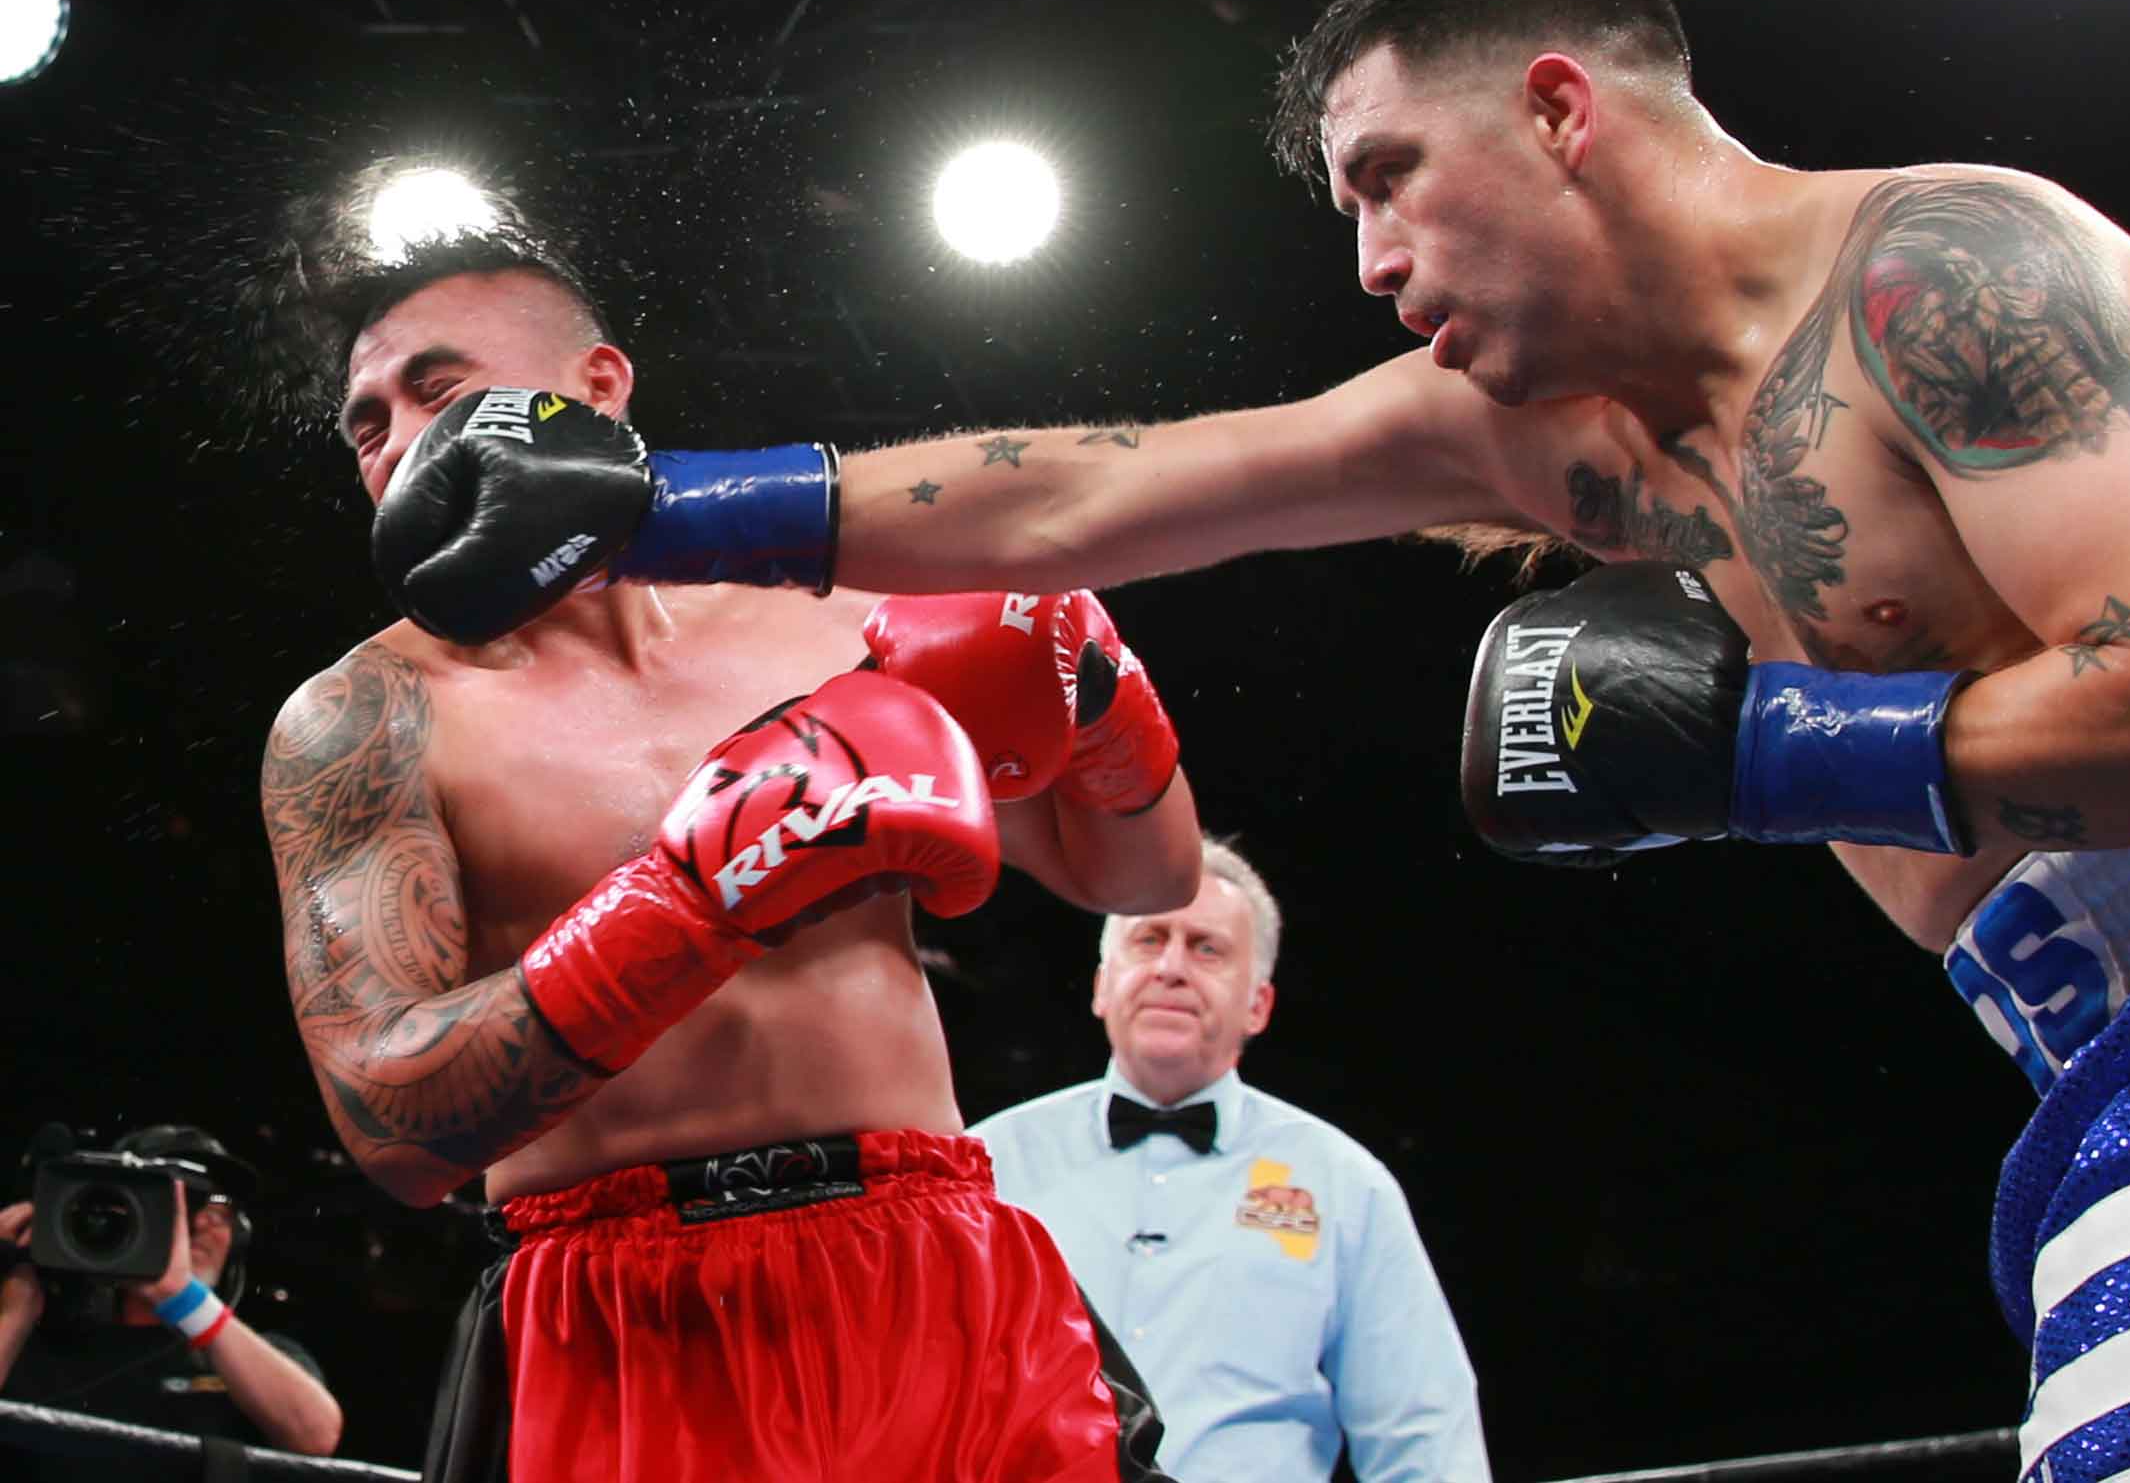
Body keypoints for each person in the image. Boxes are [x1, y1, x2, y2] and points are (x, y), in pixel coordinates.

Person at [373, 0, 2130, 1481]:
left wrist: (1755, 743)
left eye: (1396, 179)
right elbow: (1102, 488)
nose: (1375, 267)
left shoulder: (1940, 270)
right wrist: (655, 500)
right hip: (2128, 1057)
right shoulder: (1559, 439)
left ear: (1565, 108)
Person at [267, 233, 1204, 1482]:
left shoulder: (835, 610)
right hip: (627, 1313)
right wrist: (691, 894)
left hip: (938, 1268)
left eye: (437, 388)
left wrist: (1094, 692)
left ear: (599, 386)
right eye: (366, 423)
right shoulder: (367, 716)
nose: (393, 439)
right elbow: (390, 1121)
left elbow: (1142, 878)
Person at [972, 840, 1488, 1483]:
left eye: (1206, 948)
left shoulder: (1344, 1186)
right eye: (1149, 939)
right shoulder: (983, 1171)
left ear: (1258, 1005)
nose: (1171, 968)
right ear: (1103, 986)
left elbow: (1425, 1435)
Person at [0, 1125, 343, 1465]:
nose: (199, 1224)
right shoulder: (42, 1348)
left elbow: (316, 1435)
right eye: (171, 1207)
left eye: (218, 1209)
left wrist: (183, 1298)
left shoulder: (260, 1361)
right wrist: (15, 1308)